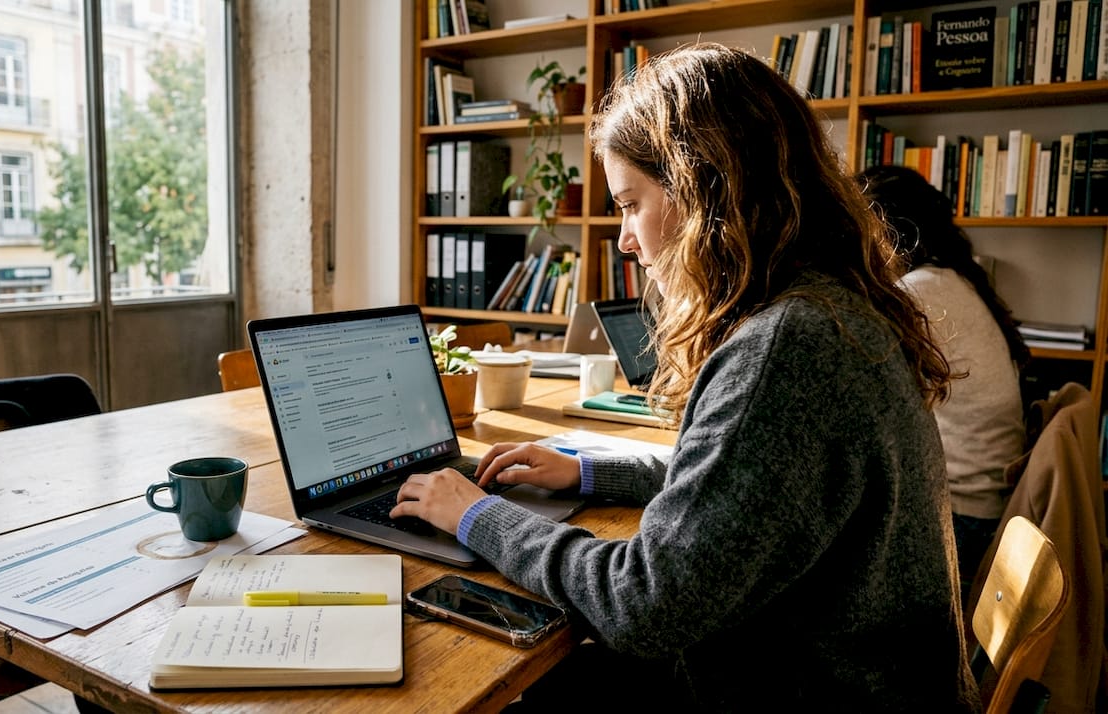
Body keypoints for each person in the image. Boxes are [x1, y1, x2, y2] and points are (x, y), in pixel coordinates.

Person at [391, 43, 979, 711]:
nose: (624, 240)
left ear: (704, 188)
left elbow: (644, 603)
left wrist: (478, 516)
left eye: (630, 203)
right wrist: (586, 472)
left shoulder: (787, 347)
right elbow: (743, 488)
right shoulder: (828, 312)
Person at [857, 164, 1029, 597]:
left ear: (882, 229)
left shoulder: (918, 292)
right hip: (985, 507)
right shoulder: (952, 280)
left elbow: (855, 390)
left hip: (963, 521)